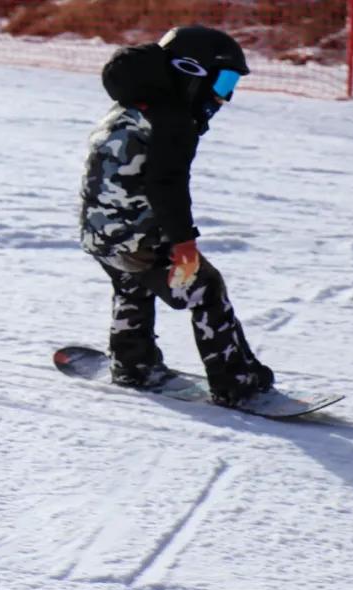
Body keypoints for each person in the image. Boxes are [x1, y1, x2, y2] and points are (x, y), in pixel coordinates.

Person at [79, 25, 275, 405]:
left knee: (132, 284)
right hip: (137, 236)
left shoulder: (131, 107)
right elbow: (167, 185)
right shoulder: (172, 120)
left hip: (99, 234)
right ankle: (236, 383)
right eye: (223, 82)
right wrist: (184, 245)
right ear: (191, 71)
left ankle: (133, 364)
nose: (226, 97)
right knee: (207, 288)